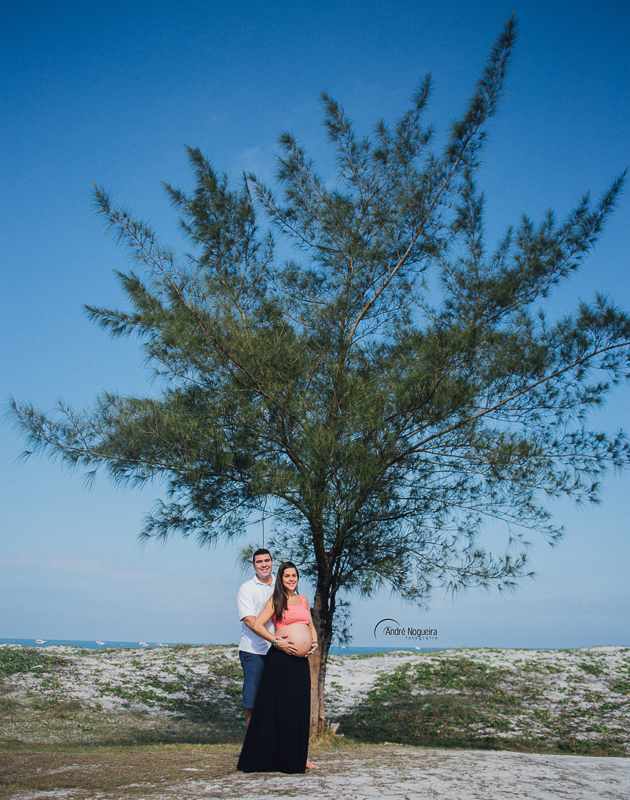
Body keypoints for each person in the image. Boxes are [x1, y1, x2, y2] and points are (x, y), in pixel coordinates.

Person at [237, 561, 319, 773]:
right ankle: (274, 757)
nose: (291, 579)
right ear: (280, 579)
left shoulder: (303, 600)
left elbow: (309, 624)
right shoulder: (276, 599)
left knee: (299, 709)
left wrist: (314, 642)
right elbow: (257, 624)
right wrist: (276, 641)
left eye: (294, 576)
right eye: (287, 576)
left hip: (300, 662)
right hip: (281, 660)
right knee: (281, 709)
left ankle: (298, 757)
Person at [236, 548, 276, 727]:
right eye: (259, 562)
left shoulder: (282, 585)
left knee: (276, 700)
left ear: (272, 563)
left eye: (266, 561)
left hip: (279, 651)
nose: (264, 565)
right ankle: (252, 751)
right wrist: (274, 640)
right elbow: (250, 621)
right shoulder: (247, 588)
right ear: (253, 566)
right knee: (252, 702)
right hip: (254, 651)